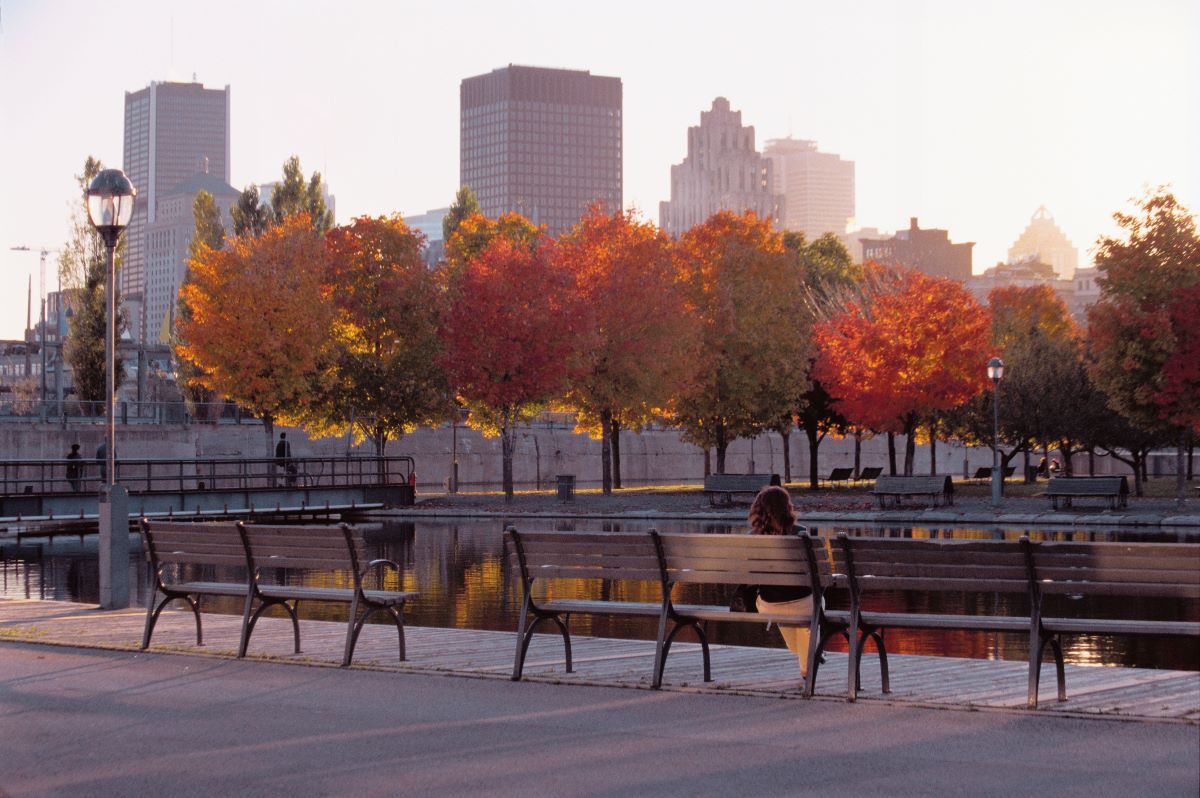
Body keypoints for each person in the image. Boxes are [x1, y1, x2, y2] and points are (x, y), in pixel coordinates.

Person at [747, 485, 814, 681]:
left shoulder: (752, 537)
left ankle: (807, 667)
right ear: (788, 507)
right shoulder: (801, 533)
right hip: (803, 603)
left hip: (769, 605)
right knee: (812, 611)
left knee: (801, 632)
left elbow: (750, 576)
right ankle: (807, 669)